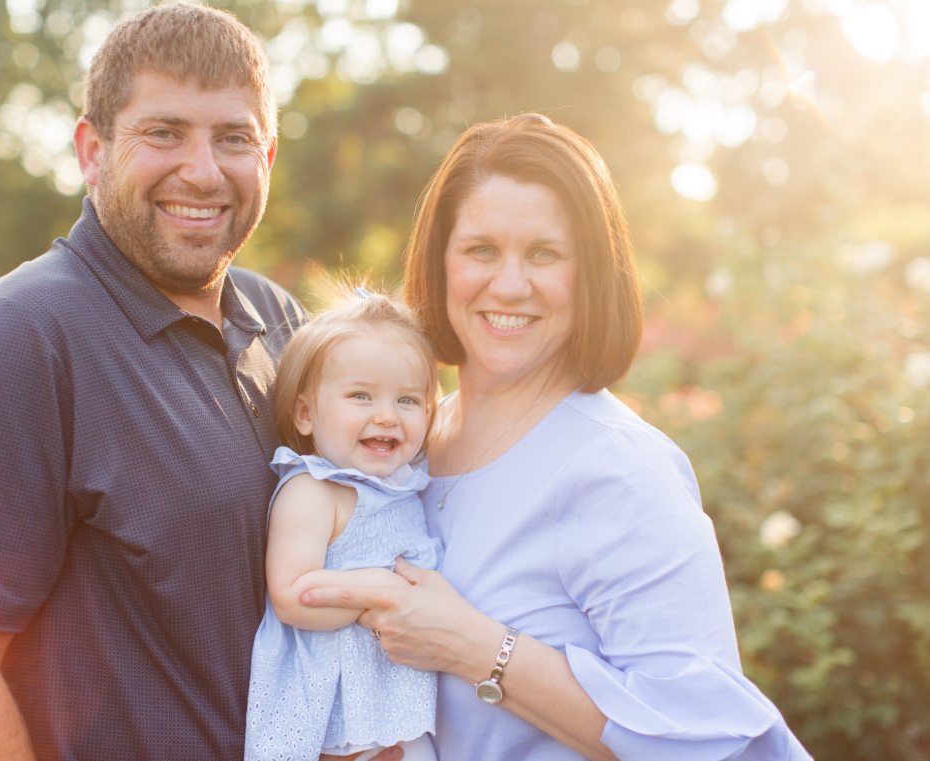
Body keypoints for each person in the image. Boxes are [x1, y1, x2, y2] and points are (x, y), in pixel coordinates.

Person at [0, 6, 404, 761]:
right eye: (164, 132)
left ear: (266, 157)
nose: (202, 170)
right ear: (92, 150)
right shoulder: (19, 343)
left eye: (232, 138)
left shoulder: (280, 320)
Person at [302, 114, 813, 760]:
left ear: (589, 273)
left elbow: (706, 740)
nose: (510, 284)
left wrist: (476, 647)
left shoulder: (620, 469)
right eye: (481, 250)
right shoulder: (398, 445)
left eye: (544, 254)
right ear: (441, 264)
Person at [244, 290, 442, 761]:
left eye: (408, 400)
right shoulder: (314, 491)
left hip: (394, 702)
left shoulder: (403, 484)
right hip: (335, 712)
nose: (387, 416)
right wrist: (378, 589)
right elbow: (293, 597)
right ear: (306, 413)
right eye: (360, 396)